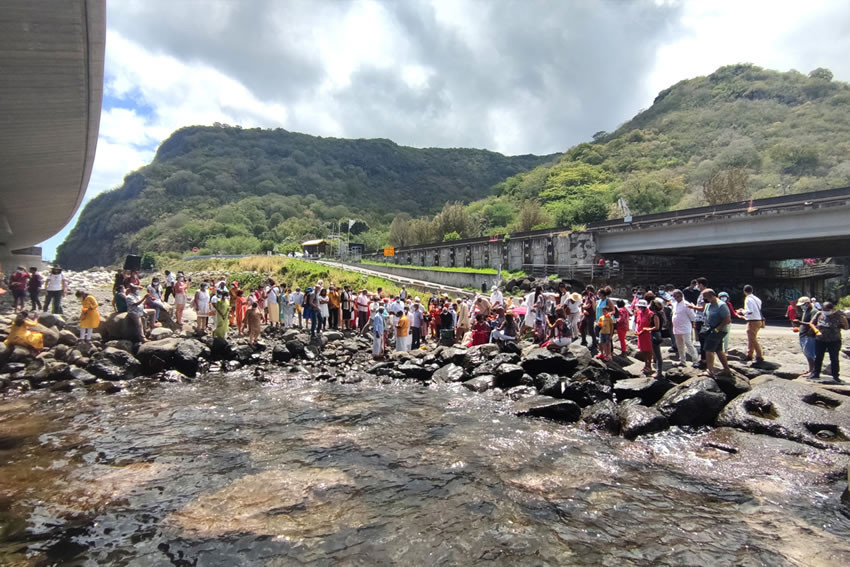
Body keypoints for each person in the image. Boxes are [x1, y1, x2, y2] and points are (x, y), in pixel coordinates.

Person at [810, 301, 849, 383]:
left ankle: (835, 376)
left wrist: (843, 318)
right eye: (824, 309)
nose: (825, 311)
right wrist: (816, 331)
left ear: (831, 309)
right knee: (818, 357)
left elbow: (846, 327)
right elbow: (812, 324)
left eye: (827, 310)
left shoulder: (838, 316)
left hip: (834, 340)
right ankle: (815, 374)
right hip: (820, 340)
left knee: (834, 359)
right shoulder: (819, 314)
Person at [701, 289, 732, 378]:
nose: (704, 299)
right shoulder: (708, 305)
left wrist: (717, 329)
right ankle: (726, 369)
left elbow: (727, 319)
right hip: (710, 329)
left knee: (708, 349)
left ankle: (710, 370)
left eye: (705, 297)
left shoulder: (721, 305)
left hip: (719, 330)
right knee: (718, 350)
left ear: (711, 295)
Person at [792, 296, 819, 378]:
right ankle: (810, 369)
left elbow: (812, 324)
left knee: (810, 354)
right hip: (803, 334)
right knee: (807, 354)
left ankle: (812, 371)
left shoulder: (814, 311)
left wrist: (800, 322)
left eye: (803, 305)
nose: (801, 306)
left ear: (808, 303)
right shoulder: (806, 311)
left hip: (809, 335)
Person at [671, 289, 698, 365]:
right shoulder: (675, 304)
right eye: (674, 296)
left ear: (681, 296)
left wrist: (693, 324)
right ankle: (682, 361)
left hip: (685, 328)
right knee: (679, 346)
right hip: (676, 329)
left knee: (689, 344)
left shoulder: (686, 304)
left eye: (677, 296)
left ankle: (695, 360)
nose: (676, 298)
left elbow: (693, 317)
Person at [740, 284, 765, 363]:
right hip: (759, 320)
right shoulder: (757, 299)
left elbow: (750, 311)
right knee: (751, 337)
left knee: (752, 339)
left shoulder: (748, 299)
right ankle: (749, 354)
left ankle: (759, 355)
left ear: (744, 291)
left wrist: (742, 311)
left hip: (753, 321)